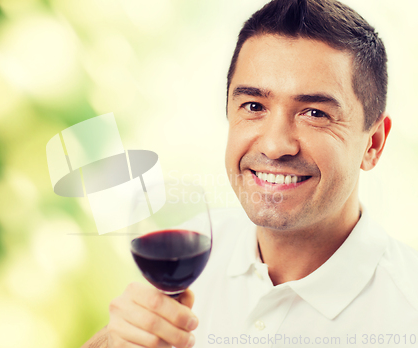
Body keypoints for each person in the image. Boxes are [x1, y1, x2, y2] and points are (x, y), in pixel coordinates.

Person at [83, 0, 418, 347]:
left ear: (373, 143)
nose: (275, 146)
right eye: (254, 106)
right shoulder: (194, 250)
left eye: (315, 113)